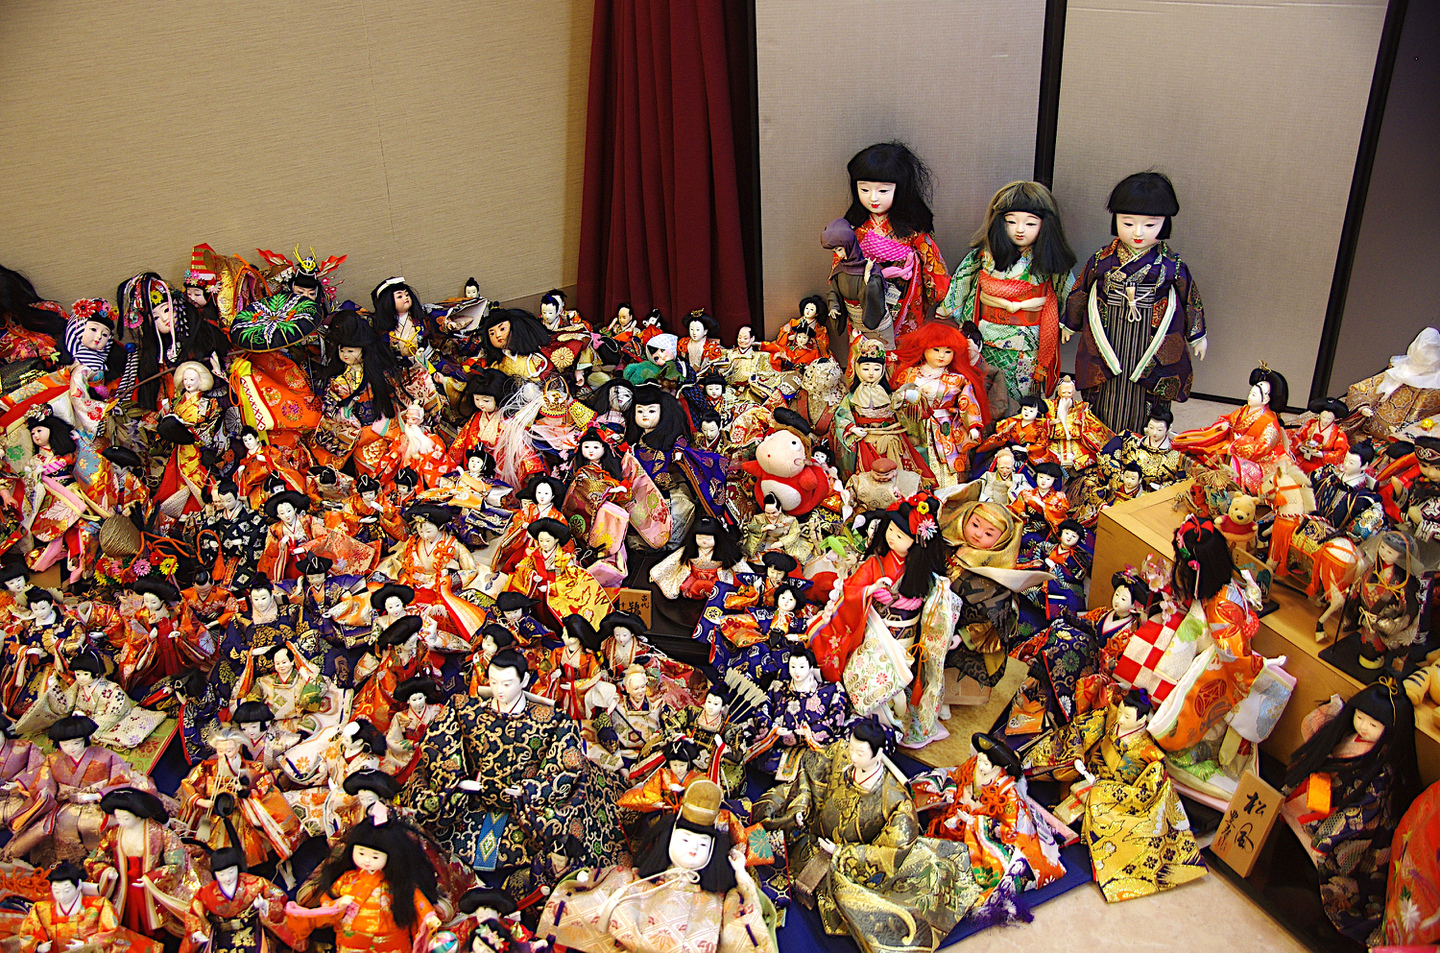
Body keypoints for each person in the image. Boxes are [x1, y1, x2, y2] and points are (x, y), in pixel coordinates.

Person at [1063, 172, 1206, 433]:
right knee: (1106, 381)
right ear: (1115, 219)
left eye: (1150, 225)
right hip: (1111, 332)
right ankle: (1101, 433)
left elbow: (1190, 299)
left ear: (1165, 224)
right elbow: (1081, 289)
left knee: (1146, 386)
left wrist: (1197, 335)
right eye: (1128, 223)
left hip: (1150, 336)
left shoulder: (1171, 265)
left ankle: (1145, 437)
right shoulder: (1102, 260)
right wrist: (1070, 324)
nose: (1138, 233)